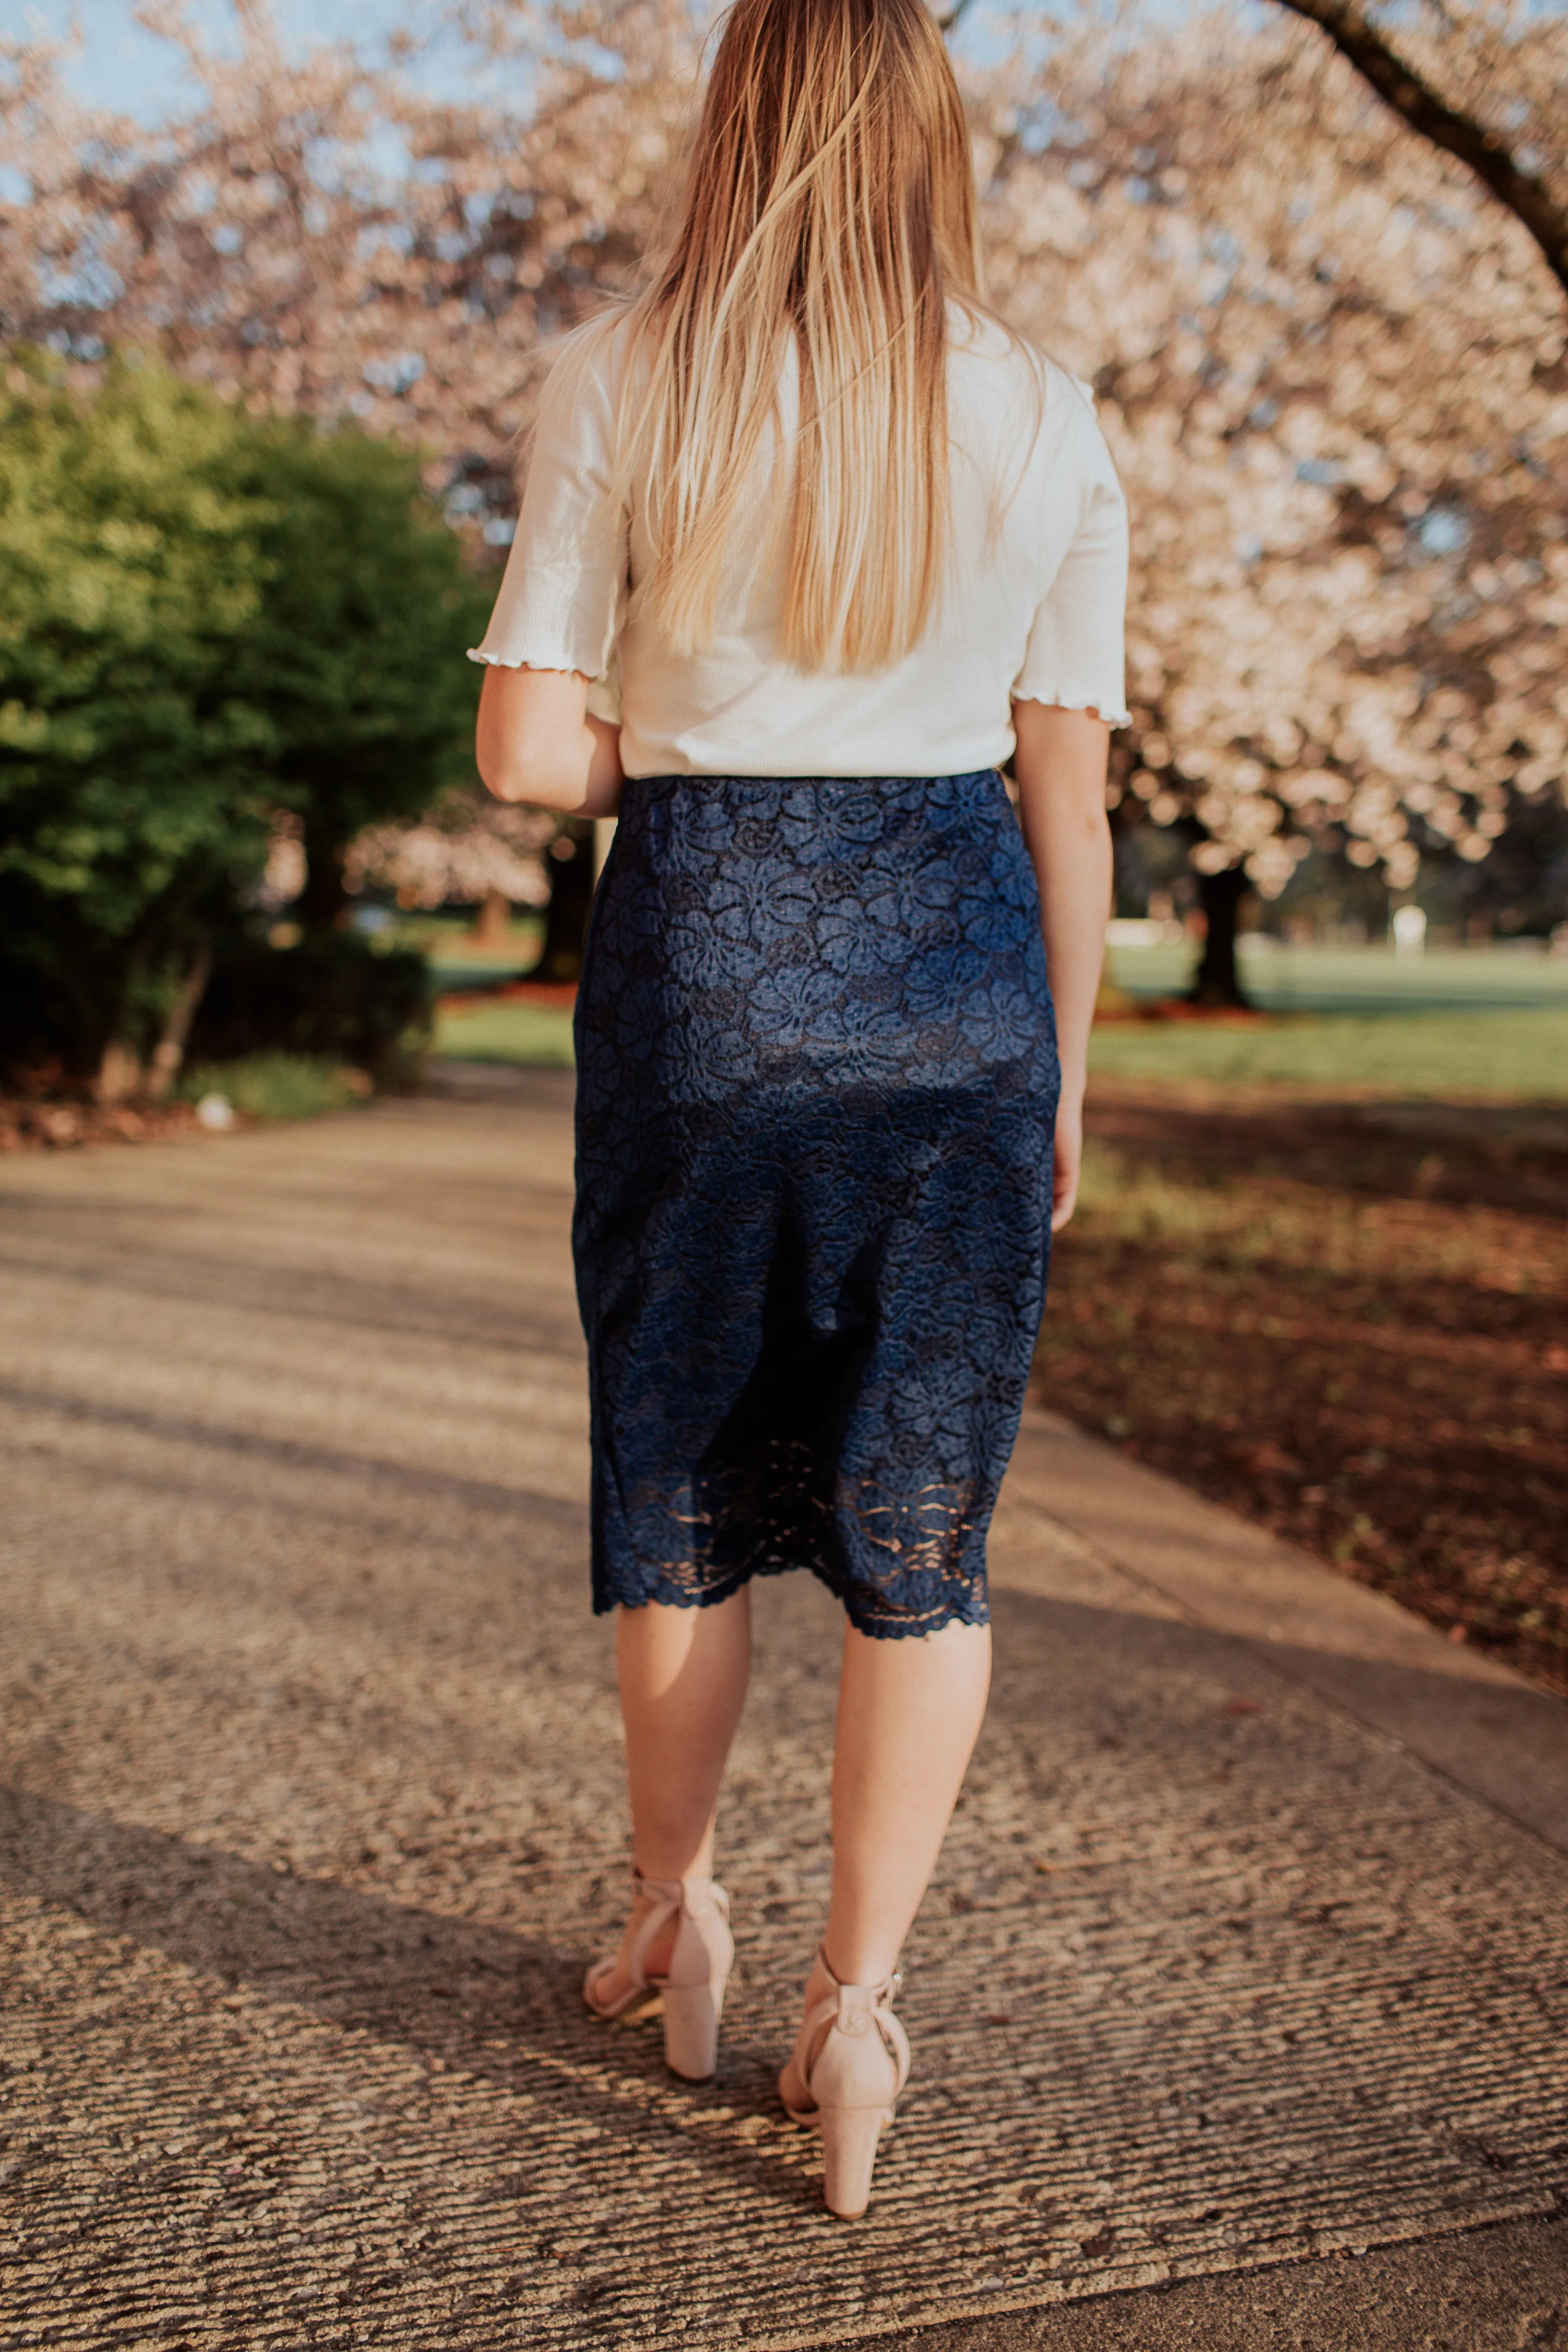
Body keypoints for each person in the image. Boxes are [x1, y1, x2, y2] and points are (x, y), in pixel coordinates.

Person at [471, 0, 1127, 2220]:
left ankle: (682, 1916)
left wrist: (674, 726)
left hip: (707, 973)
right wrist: (1067, 1076)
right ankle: (858, 2018)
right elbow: (1070, 804)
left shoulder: (623, 371)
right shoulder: (1045, 410)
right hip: (958, 995)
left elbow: (525, 760)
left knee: (678, 1475)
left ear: (733, 112)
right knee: (915, 1532)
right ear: (937, 133)